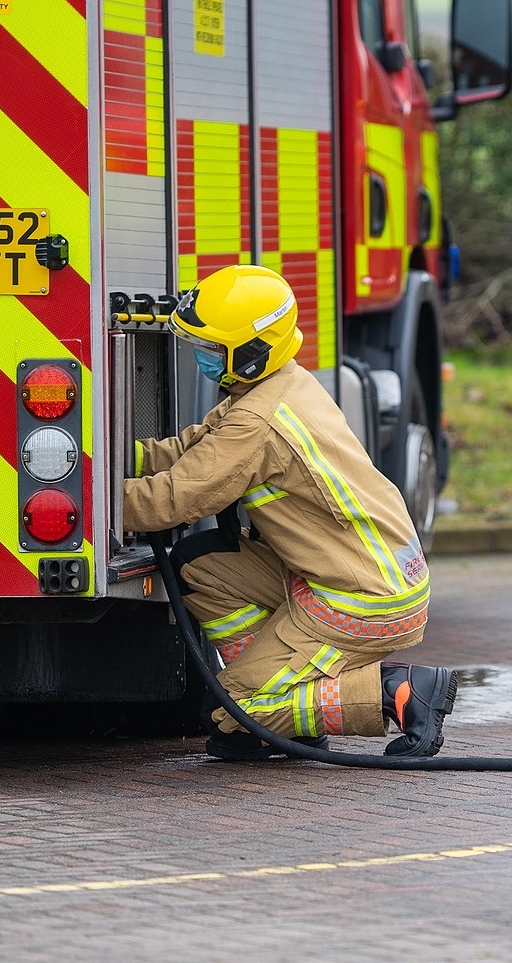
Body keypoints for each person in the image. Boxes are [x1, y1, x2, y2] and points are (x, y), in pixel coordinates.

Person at [122, 264, 458, 762]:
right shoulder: (281, 384)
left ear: (252, 354)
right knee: (199, 566)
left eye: (213, 350)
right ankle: (280, 705)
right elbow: (190, 449)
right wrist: (107, 459)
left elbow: (176, 498)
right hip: (346, 574)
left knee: (231, 711)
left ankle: (397, 692)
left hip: (362, 597)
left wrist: (87, 502)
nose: (203, 359)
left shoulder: (257, 422)